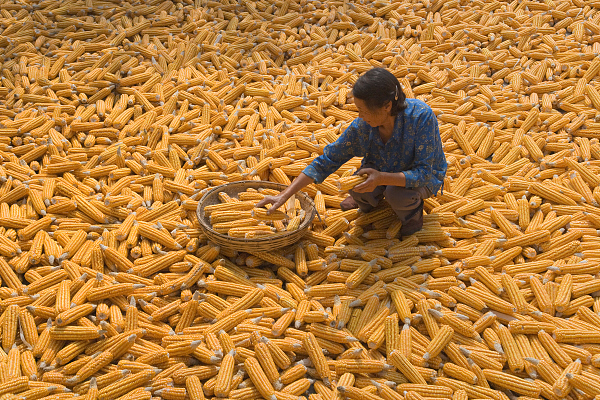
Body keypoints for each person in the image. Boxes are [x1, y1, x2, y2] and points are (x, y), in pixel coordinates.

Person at [257, 67, 447, 236]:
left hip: (422, 176)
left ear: (387, 106)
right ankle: (369, 201)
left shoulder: (421, 117)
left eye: (362, 110)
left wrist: (381, 179)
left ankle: (412, 216)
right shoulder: (363, 126)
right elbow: (327, 160)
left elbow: (423, 174)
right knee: (357, 185)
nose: (359, 116)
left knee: (395, 194)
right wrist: (285, 195)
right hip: (380, 168)